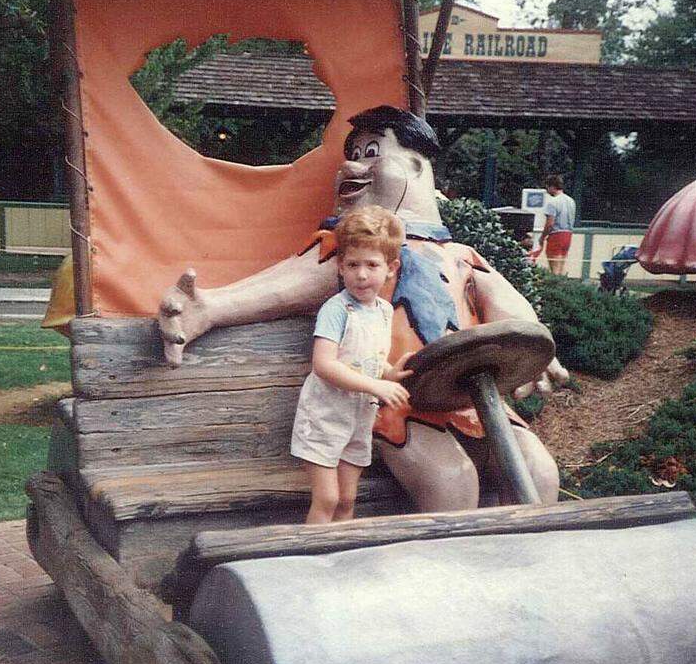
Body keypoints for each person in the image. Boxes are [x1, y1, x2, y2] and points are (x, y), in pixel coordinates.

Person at [159, 105, 567, 513]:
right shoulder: (348, 252)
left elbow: (509, 310)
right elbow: (282, 286)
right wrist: (209, 306)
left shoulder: (463, 257)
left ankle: (514, 565)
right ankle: (444, 571)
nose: (352, 166)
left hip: (475, 403)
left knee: (539, 473)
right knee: (451, 483)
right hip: (399, 404)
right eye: (351, 154)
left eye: (371, 151)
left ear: (416, 168)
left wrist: (535, 350)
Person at [290, 206, 413, 523]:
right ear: (340, 267)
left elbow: (369, 357)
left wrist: (391, 373)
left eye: (372, 265)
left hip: (359, 419)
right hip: (325, 419)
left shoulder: (384, 311)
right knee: (327, 498)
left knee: (347, 499)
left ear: (390, 268)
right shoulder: (337, 310)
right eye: (352, 264)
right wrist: (376, 385)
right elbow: (325, 365)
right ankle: (313, 562)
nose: (361, 274)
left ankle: (342, 559)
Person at [540, 173, 576, 276]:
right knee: (561, 266)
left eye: (547, 187)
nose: (547, 191)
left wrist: (542, 238)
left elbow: (549, 224)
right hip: (568, 235)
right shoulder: (571, 201)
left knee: (554, 268)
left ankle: (555, 286)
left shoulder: (553, 202)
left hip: (556, 235)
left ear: (552, 186)